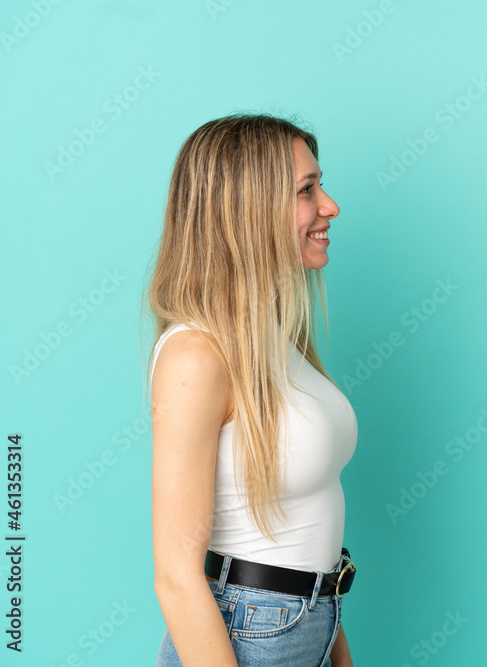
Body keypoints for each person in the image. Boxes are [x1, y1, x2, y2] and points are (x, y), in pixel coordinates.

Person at [147, 114, 357, 666]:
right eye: (306, 190)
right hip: (246, 637)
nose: (330, 206)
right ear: (247, 208)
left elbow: (306, 526)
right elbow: (176, 576)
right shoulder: (196, 354)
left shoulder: (275, 339)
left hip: (310, 621)